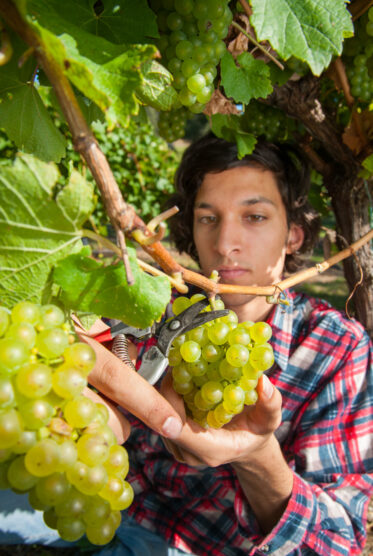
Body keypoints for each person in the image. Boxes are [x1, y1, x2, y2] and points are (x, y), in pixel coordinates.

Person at [1, 133, 372, 556]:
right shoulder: (154, 307)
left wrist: (257, 458)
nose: (224, 243)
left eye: (254, 217)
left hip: (207, 545)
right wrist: (89, 412)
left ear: (295, 236)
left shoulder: (338, 348)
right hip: (120, 501)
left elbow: (338, 542)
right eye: (208, 218)